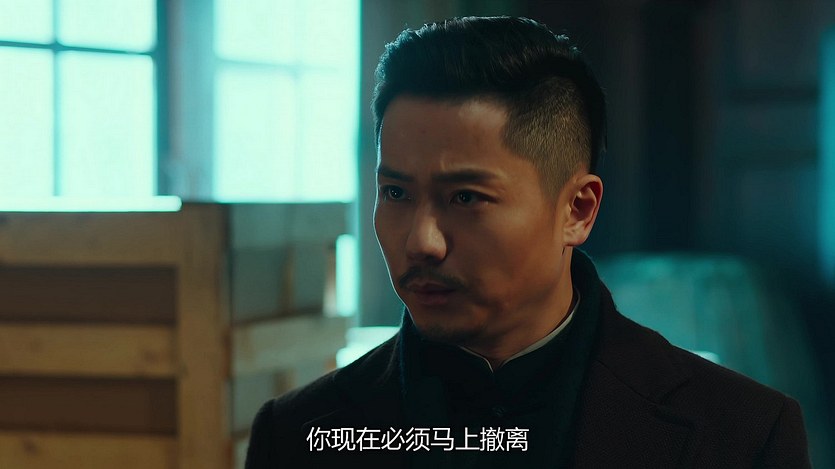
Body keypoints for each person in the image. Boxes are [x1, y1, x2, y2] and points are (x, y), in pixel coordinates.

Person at [245, 16, 811, 468]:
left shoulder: (741, 435)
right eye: (395, 193)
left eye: (465, 197)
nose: (422, 241)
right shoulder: (298, 435)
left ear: (577, 210)